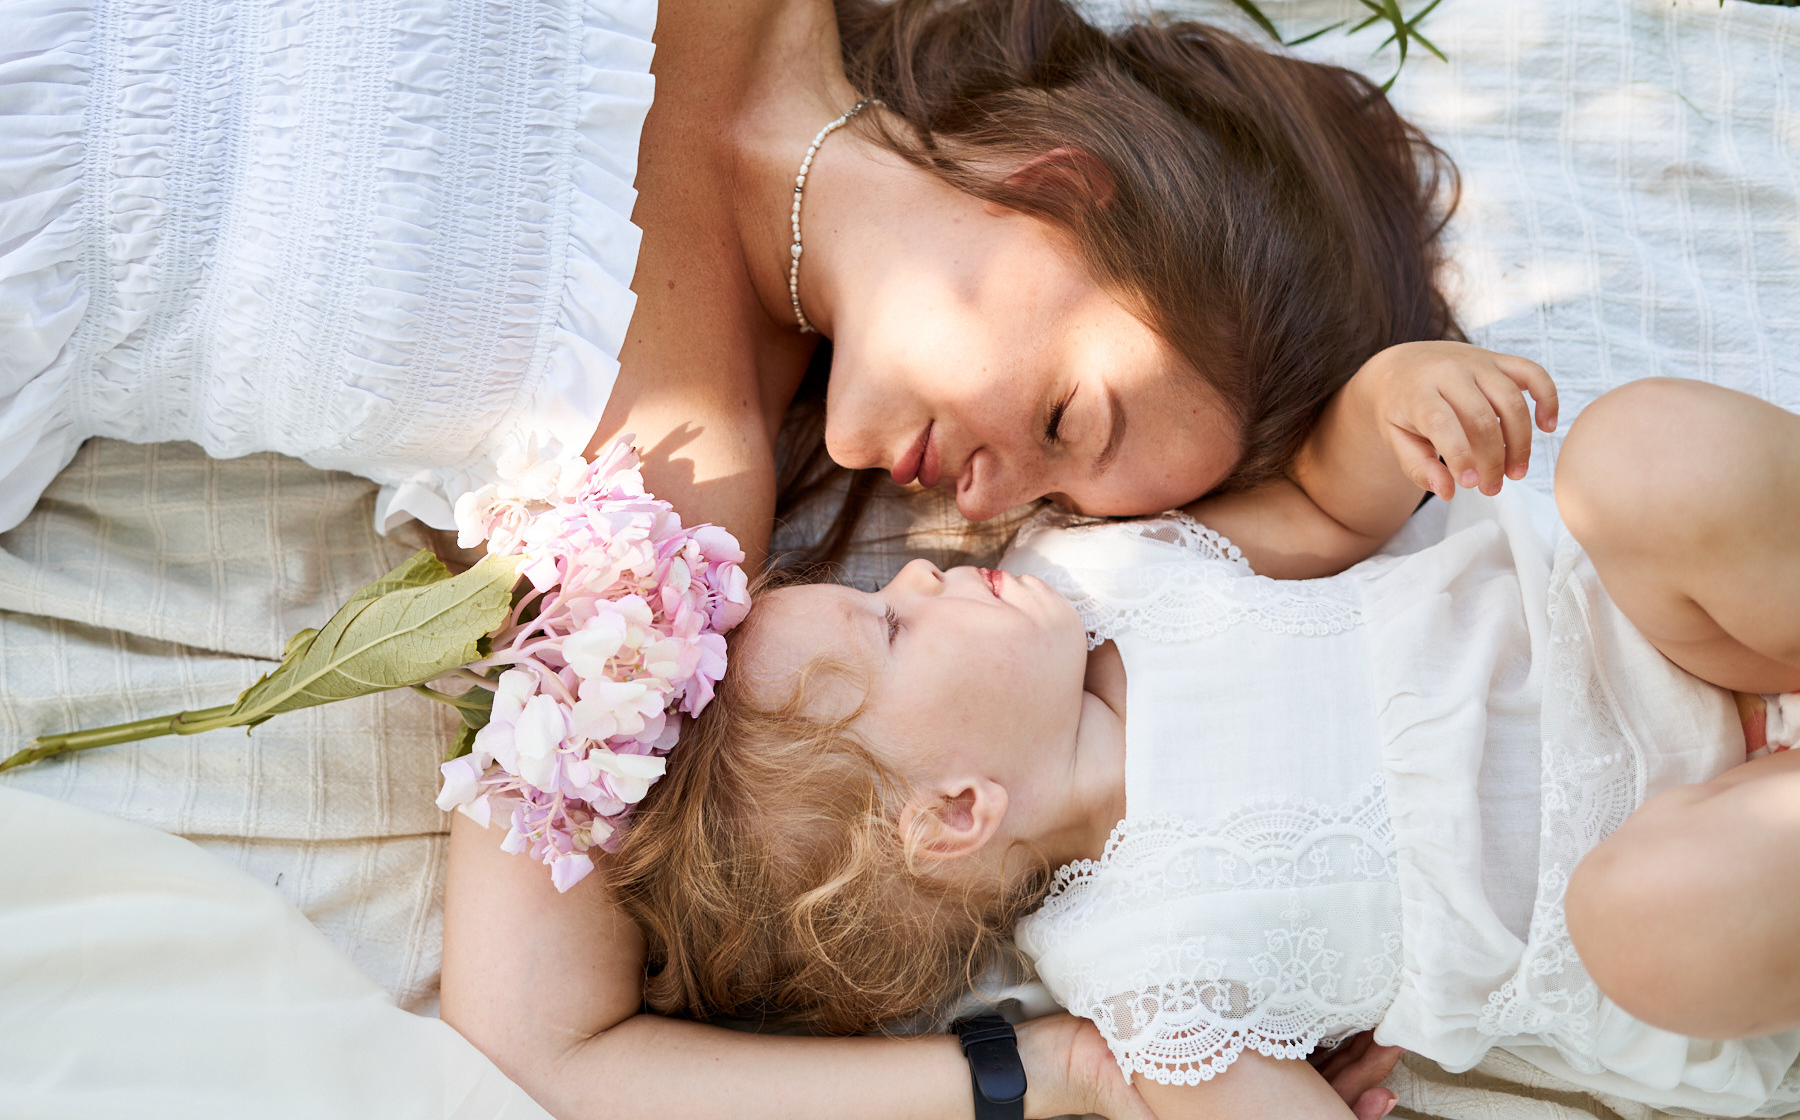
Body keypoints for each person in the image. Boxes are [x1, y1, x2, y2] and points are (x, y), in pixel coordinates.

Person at [0, 0, 1483, 1114]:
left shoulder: (667, 510)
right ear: (1061, 190)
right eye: (1061, 422)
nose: (988, 512)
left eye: (1054, 500)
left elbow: (550, 1047)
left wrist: (1045, 1075)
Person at [605, 374, 1800, 1118]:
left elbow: (1329, 509)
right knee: (1641, 918)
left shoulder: (1098, 570)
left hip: (1689, 633)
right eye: (891, 623)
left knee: (1636, 453)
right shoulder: (1144, 986)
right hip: (1724, 892)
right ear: (956, 809)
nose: (918, 571)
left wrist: (1395, 408)